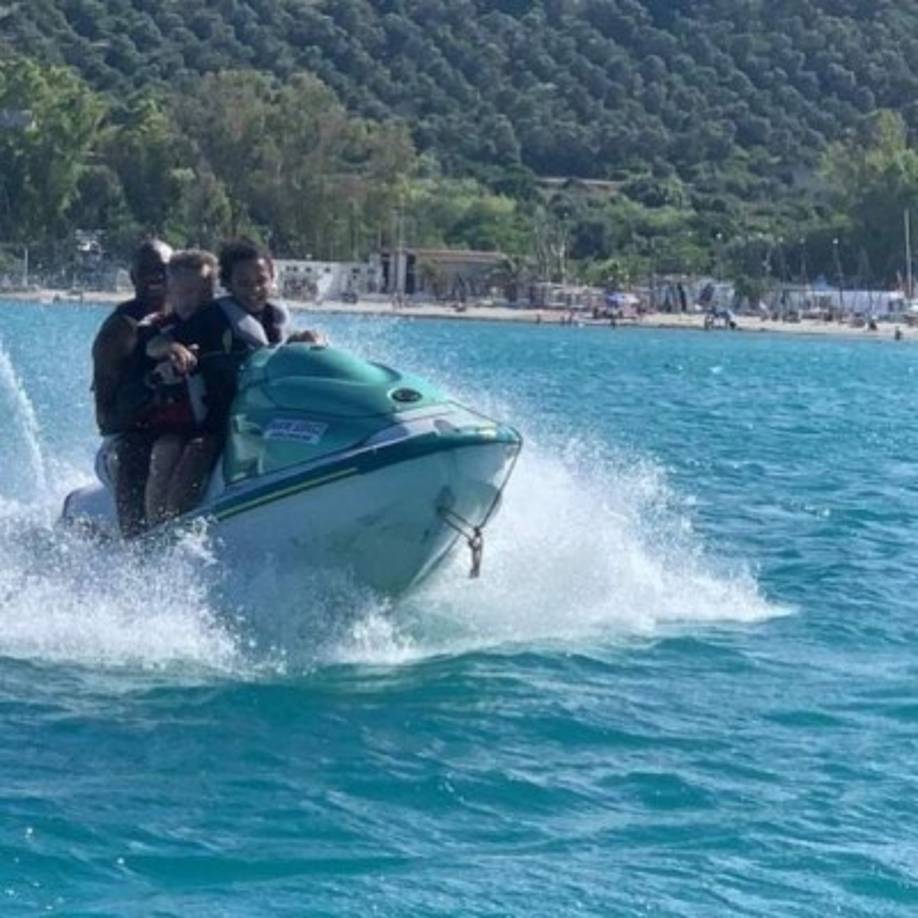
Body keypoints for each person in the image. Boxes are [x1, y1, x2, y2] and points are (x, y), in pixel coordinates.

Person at [90, 239, 173, 537]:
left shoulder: (190, 313)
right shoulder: (121, 330)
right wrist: (151, 391)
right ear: (133, 277)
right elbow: (106, 417)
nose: (156, 276)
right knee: (137, 451)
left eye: (163, 269)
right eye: (146, 270)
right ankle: (136, 547)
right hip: (128, 435)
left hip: (177, 426)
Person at [141, 250, 220, 525]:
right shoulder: (160, 326)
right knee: (165, 455)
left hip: (207, 424)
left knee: (194, 452)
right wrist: (173, 347)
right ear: (169, 291)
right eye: (184, 292)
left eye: (203, 292)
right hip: (173, 422)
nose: (193, 300)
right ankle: (154, 528)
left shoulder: (219, 323)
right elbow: (152, 346)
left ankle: (176, 517)